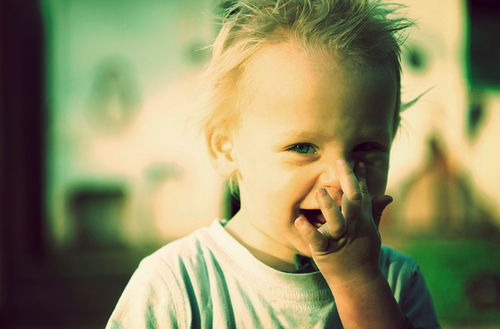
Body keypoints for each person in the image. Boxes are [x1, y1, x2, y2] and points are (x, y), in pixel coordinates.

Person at [106, 0, 440, 328]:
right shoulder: (177, 288)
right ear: (225, 150)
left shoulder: (396, 281)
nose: (341, 178)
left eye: (367, 147)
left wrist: (358, 283)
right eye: (303, 147)